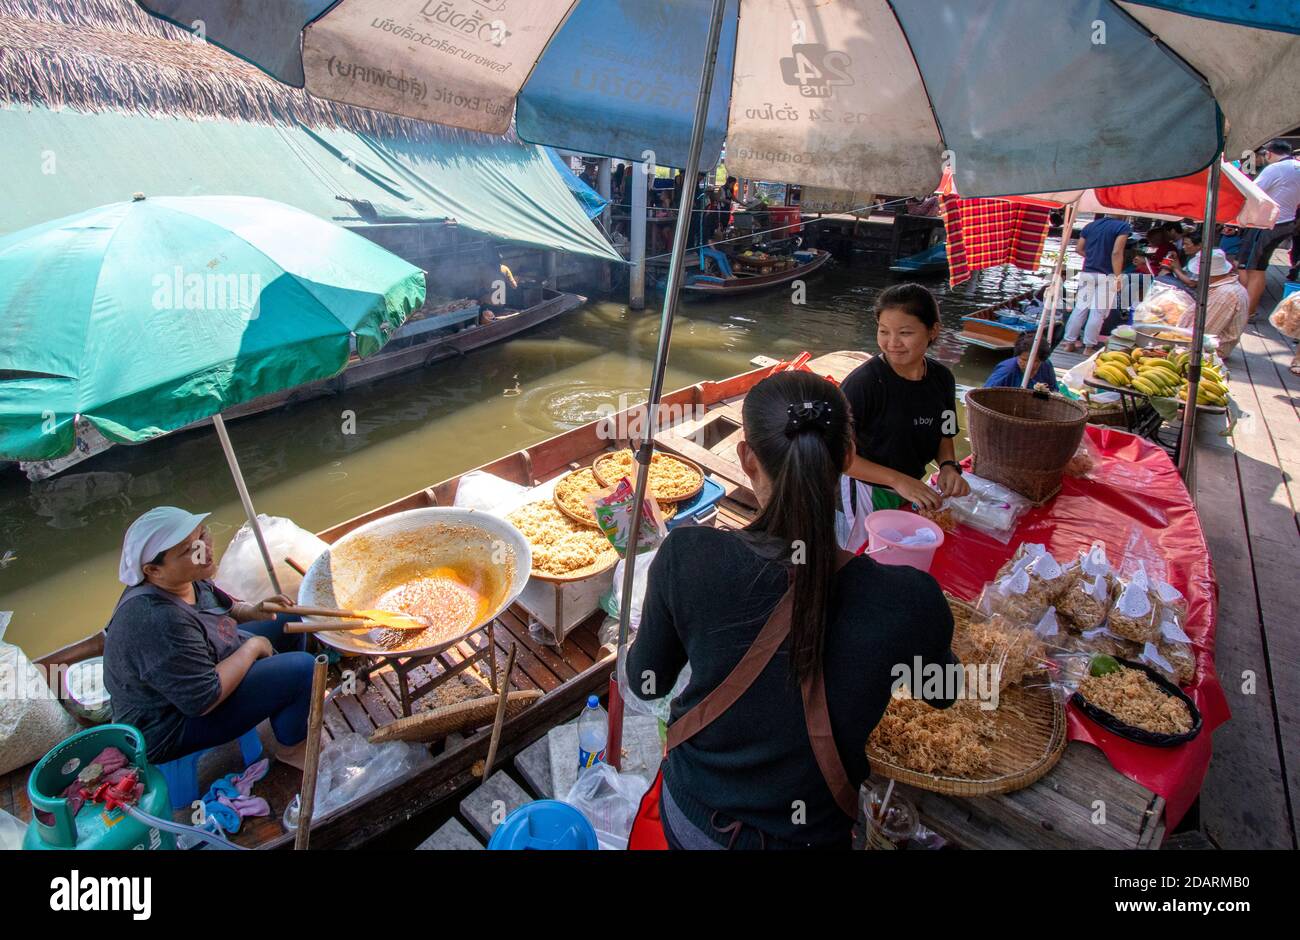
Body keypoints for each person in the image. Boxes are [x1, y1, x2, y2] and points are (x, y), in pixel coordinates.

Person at [626, 371, 957, 850]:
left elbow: (644, 681)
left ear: (745, 458)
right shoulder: (910, 600)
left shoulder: (687, 554)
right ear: (847, 458)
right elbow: (942, 693)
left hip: (694, 822)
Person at [104, 507, 316, 768]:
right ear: (153, 570)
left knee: (287, 618)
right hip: (171, 724)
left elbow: (222, 608)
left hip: (204, 673)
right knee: (303, 668)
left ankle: (284, 711)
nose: (203, 548)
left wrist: (253, 611)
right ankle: (292, 748)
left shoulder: (188, 578)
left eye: (202, 534)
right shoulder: (157, 621)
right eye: (187, 550)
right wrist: (252, 648)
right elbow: (203, 699)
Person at [838, 284, 971, 531]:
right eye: (884, 331)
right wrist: (897, 480)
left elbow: (945, 431)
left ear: (933, 331)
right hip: (863, 490)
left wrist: (948, 467)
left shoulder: (942, 378)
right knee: (863, 556)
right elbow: (837, 456)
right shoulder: (864, 384)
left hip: (911, 487)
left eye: (905, 333)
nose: (892, 343)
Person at [1238, 140, 1300, 320]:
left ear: (1270, 154)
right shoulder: (1297, 167)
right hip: (1286, 221)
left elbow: (1252, 191)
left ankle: (1247, 312)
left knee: (1254, 269)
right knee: (1254, 266)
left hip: (1266, 223)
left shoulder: (1275, 169)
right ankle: (1247, 309)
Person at [1062, 214, 1131, 352]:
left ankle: (1069, 343)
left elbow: (1078, 249)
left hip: (1088, 272)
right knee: (1097, 312)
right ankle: (1089, 347)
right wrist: (1118, 277)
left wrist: (1093, 257)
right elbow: (1116, 253)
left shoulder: (1090, 226)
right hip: (1107, 275)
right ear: (1122, 213)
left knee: (1080, 309)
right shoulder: (1123, 227)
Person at [1176, 249, 1251, 357]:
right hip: (1205, 340)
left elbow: (1204, 332)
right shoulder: (1226, 287)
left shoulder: (1224, 294)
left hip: (1209, 349)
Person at [984, 331, 1057, 389]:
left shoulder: (1046, 365)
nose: (1028, 365)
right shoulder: (1007, 370)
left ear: (1041, 360)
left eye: (1035, 361)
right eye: (1024, 360)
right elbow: (985, 392)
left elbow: (1053, 389)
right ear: (1018, 356)